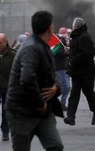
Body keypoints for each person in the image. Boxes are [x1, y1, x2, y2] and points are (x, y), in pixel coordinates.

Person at [6, 11, 64, 150]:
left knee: (55, 145)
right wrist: (40, 102)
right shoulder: (31, 48)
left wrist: (56, 87)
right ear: (50, 28)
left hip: (43, 113)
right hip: (22, 111)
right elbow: (27, 79)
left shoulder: (43, 45)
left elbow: (51, 74)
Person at [64, 17, 95, 126]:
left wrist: (73, 60)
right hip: (76, 71)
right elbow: (77, 51)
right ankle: (71, 117)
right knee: (74, 93)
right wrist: (69, 52)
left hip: (86, 71)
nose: (72, 27)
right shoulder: (76, 37)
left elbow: (86, 53)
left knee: (88, 92)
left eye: (73, 25)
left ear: (76, 26)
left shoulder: (84, 37)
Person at [0, 33, 17, 141]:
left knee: (6, 110)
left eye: (0, 42)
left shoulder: (13, 54)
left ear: (6, 42)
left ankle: (5, 131)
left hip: (7, 86)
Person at [52, 27, 71, 111]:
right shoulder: (59, 41)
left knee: (66, 87)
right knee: (66, 87)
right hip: (59, 67)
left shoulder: (65, 41)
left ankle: (62, 103)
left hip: (65, 67)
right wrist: (66, 52)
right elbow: (56, 53)